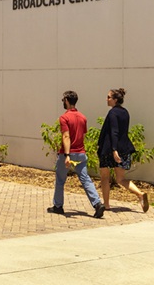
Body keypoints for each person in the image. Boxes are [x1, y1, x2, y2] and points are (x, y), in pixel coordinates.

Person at [48, 90, 105, 218]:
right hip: (81, 153)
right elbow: (82, 136)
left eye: (63, 100)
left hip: (68, 153)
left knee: (60, 180)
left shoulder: (64, 118)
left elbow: (66, 136)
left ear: (67, 100)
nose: (63, 102)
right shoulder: (83, 117)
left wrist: (67, 155)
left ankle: (58, 206)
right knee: (85, 179)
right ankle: (97, 204)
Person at [97, 87, 149, 212]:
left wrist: (114, 150)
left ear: (115, 100)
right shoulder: (125, 112)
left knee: (105, 177)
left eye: (109, 97)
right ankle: (140, 194)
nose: (106, 99)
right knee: (121, 179)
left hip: (109, 149)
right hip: (124, 148)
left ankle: (106, 204)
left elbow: (114, 131)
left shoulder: (112, 113)